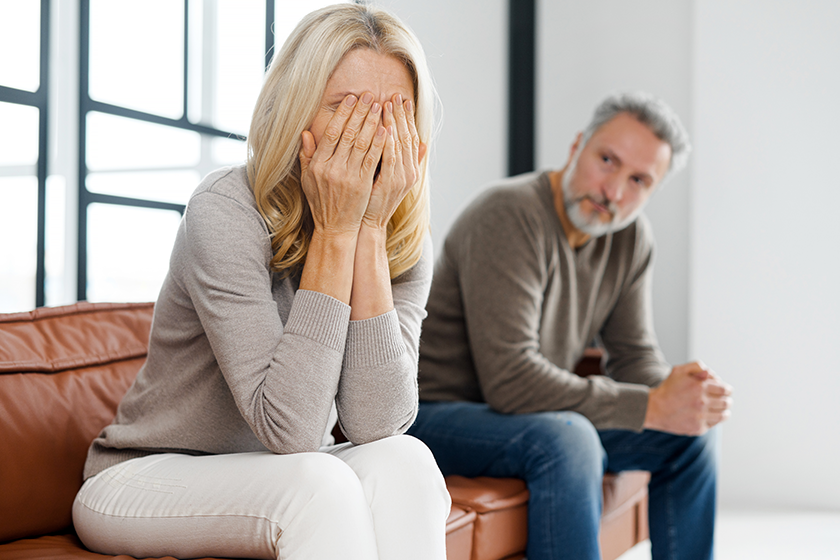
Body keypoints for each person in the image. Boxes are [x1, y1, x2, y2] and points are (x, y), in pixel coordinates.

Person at [72, 4, 450, 559]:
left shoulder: (402, 238)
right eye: (345, 108)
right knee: (318, 483)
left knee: (407, 460)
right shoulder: (225, 208)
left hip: (282, 470)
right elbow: (291, 430)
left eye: (392, 112)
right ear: (296, 112)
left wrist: (368, 231)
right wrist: (338, 232)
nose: (368, 134)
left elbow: (378, 425)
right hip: (144, 477)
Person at [407, 92, 734, 560]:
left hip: (530, 416)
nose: (614, 191)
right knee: (570, 437)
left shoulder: (630, 237)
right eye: (607, 160)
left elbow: (635, 355)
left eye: (639, 180)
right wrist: (649, 407)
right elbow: (512, 382)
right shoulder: (509, 214)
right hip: (439, 414)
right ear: (577, 145)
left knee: (692, 430)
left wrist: (682, 396)